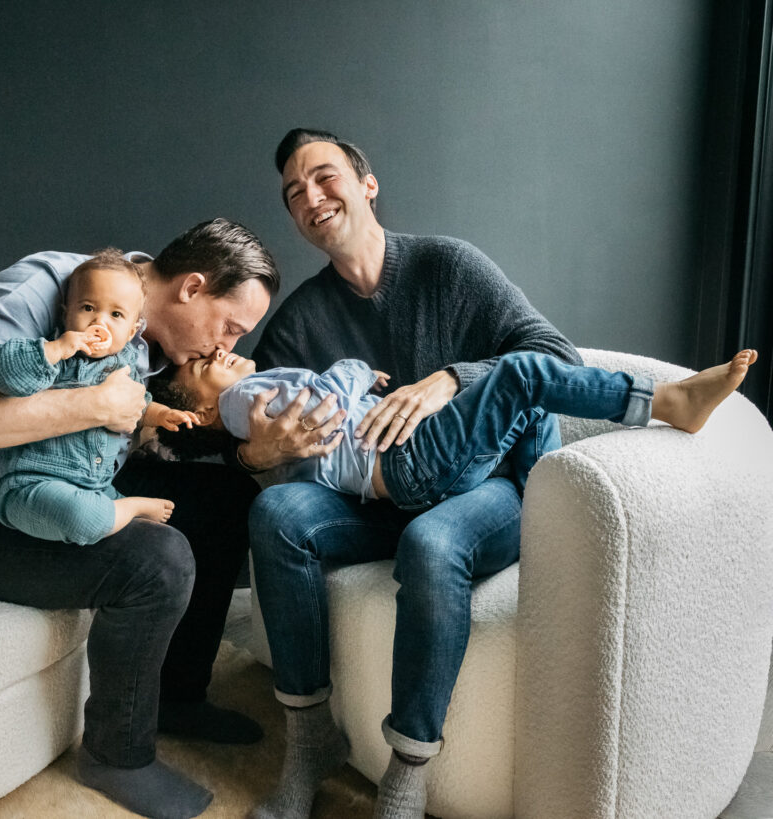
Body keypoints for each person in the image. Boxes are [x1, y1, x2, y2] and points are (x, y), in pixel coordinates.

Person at [233, 128, 585, 819]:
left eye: (325, 176)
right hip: (374, 499)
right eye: (294, 193)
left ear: (367, 185)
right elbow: (254, 452)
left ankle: (406, 775)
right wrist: (258, 454)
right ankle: (310, 745)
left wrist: (451, 380)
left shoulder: (448, 267)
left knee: (433, 541)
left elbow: (558, 358)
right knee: (275, 517)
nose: (311, 196)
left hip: (490, 489)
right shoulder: (299, 323)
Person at [0, 218, 278, 819]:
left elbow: (133, 434)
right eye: (229, 327)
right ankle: (116, 757)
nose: (226, 347)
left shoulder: (152, 341)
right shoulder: (49, 287)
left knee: (227, 498)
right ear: (192, 286)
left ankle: (176, 696)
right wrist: (93, 403)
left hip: (76, 481)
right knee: (159, 560)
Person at [152, 349, 758, 509]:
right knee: (521, 376)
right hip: (406, 461)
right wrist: (355, 370)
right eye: (202, 366)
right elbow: (328, 399)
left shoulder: (244, 395)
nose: (218, 352)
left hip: (413, 468)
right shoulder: (241, 404)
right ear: (203, 413)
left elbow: (548, 343)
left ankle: (536, 508)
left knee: (532, 393)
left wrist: (445, 379)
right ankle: (670, 402)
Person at [0, 250, 200, 544]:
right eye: (87, 307)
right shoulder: (56, 353)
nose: (99, 321)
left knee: (151, 535)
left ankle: (116, 509)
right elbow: (4, 373)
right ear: (66, 313)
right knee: (85, 519)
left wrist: (161, 414)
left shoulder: (123, 368)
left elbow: (137, 405)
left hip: (96, 487)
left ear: (131, 332)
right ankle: (131, 507)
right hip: (32, 483)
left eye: (116, 315)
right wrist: (56, 349)